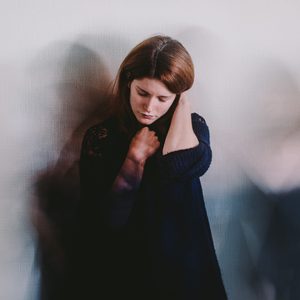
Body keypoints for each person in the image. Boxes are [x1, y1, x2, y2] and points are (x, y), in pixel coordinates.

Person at [70, 35, 227, 300]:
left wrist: (182, 105)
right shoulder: (102, 137)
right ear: (128, 83)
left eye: (163, 99)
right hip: (126, 272)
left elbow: (185, 164)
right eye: (142, 93)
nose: (149, 108)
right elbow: (102, 223)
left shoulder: (192, 127)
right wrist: (133, 160)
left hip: (186, 271)